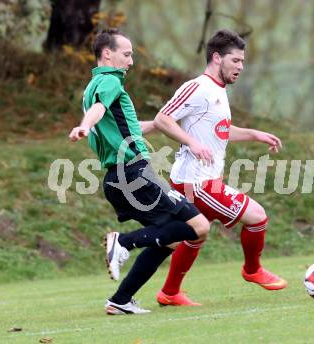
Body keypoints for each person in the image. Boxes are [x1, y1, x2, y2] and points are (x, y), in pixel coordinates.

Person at [68, 28, 210, 314]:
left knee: (169, 239)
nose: (131, 61)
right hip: (133, 174)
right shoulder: (109, 82)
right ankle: (123, 242)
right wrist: (85, 124)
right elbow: (98, 110)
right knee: (200, 227)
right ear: (107, 53)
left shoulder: (93, 85)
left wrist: (158, 124)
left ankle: (120, 300)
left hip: (118, 178)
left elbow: (121, 125)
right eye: (127, 54)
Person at [153, 29, 287, 306]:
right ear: (217, 58)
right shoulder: (198, 87)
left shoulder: (218, 91)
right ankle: (252, 270)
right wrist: (191, 143)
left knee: (195, 235)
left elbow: (220, 131)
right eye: (235, 60)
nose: (240, 66)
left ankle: (169, 292)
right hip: (196, 181)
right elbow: (162, 119)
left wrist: (254, 134)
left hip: (202, 178)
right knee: (257, 216)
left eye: (242, 62)